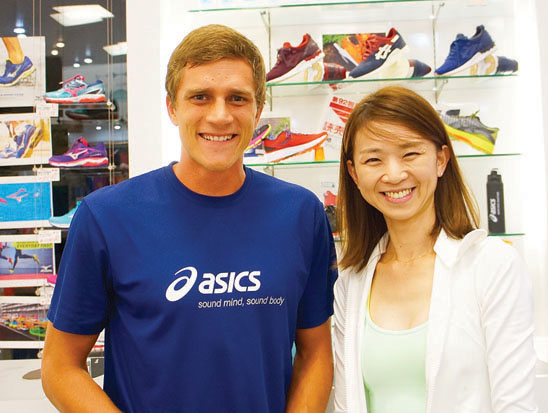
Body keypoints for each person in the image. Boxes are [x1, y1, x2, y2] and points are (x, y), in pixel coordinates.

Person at [41, 24, 337, 413]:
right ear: (172, 107)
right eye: (200, 97)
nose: (220, 116)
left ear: (258, 109)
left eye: (237, 98)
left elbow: (316, 354)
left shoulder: (301, 214)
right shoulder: (106, 217)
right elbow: (60, 367)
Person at [333, 86, 537, 413]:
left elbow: (516, 405)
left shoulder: (493, 265)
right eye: (373, 159)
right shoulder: (351, 283)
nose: (394, 174)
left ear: (441, 159)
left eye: (410, 154)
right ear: (354, 174)